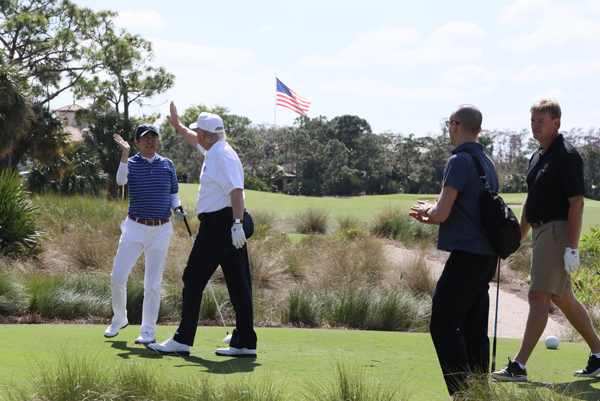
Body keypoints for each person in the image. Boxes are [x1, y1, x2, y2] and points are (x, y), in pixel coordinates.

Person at [491, 98, 600, 382]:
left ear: (556, 123)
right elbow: (531, 201)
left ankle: (519, 366)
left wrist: (572, 248)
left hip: (557, 231)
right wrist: (516, 240)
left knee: (537, 296)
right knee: (562, 299)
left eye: (541, 120)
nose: (535, 125)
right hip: (541, 231)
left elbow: (577, 202)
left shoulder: (566, 155)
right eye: (533, 120)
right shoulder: (537, 156)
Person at [148, 102, 257, 357]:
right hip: (225, 224)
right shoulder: (215, 149)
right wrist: (177, 126)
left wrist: (237, 225)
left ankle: (182, 340)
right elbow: (191, 138)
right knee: (239, 282)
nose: (196, 135)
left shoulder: (221, 155)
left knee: (193, 277)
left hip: (223, 224)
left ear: (206, 135)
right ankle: (244, 342)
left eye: (199, 132)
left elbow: (236, 191)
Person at [409, 104, 499, 396]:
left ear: (455, 126)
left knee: (443, 323)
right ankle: (478, 391)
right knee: (474, 327)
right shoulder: (487, 162)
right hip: (487, 256)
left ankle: (462, 392)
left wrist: (427, 210)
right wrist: (434, 214)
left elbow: (443, 212)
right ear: (480, 129)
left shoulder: (459, 161)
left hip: (468, 255)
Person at [105, 123, 186, 345]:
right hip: (134, 227)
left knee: (153, 283)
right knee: (118, 276)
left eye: (153, 137)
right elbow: (121, 181)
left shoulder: (167, 165)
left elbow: (173, 194)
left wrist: (177, 208)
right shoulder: (130, 163)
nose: (150, 141)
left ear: (158, 141)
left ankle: (148, 330)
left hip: (161, 228)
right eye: (145, 138)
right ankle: (120, 318)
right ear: (137, 142)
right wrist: (124, 155)